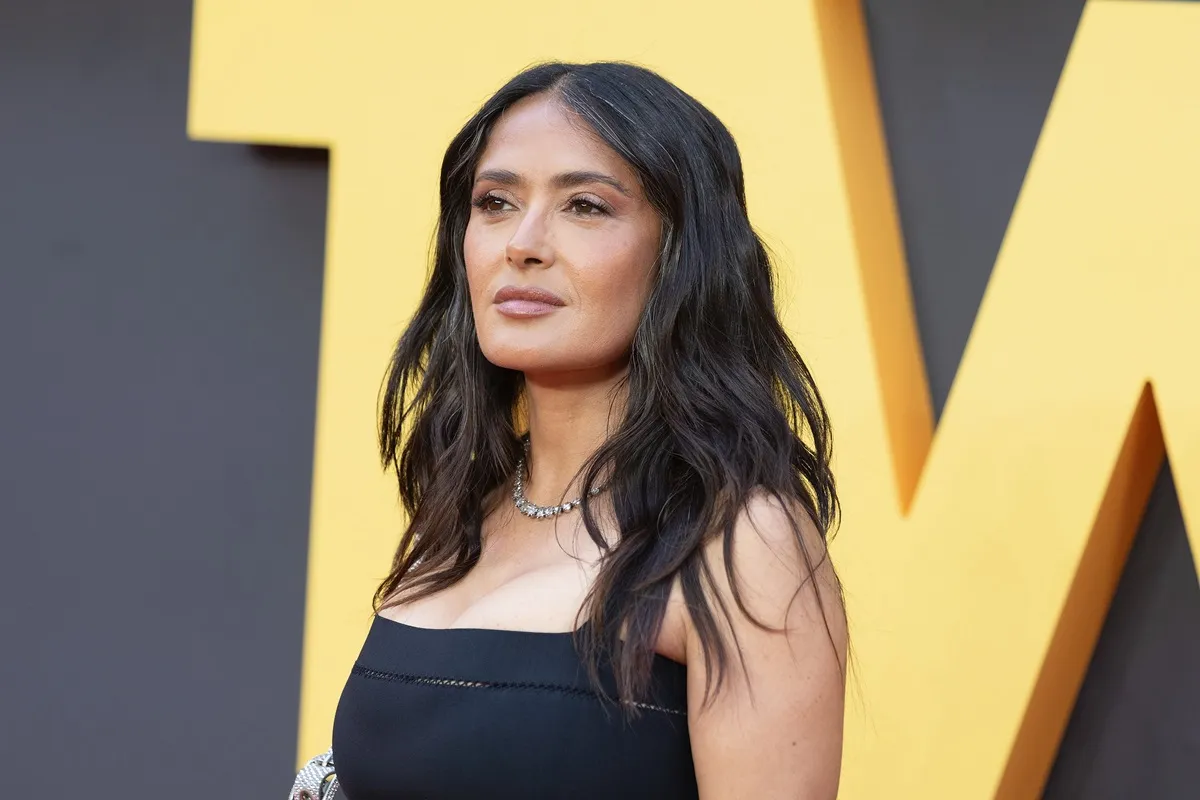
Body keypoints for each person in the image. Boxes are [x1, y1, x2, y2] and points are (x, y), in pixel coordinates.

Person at [329, 61, 847, 799]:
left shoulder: (739, 543)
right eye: (496, 202)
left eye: (585, 207)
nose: (524, 243)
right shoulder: (459, 515)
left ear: (680, 255)